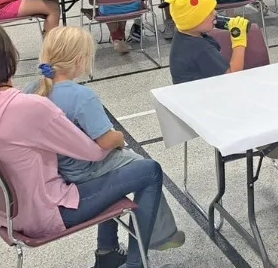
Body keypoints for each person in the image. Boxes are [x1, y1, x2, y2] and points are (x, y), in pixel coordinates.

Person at [0, 22, 178, 268]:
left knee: (114, 172)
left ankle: (108, 254)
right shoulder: (27, 107)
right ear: (6, 57)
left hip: (6, 211)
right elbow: (95, 152)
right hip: (47, 212)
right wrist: (117, 139)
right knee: (147, 170)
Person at [27, 27, 184, 251]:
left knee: (128, 163)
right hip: (83, 172)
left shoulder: (33, 90)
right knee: (142, 165)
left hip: (53, 172)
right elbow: (106, 141)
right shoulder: (82, 97)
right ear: (80, 61)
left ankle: (109, 247)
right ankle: (160, 236)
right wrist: (120, 137)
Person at [166, 0, 278, 206]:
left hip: (217, 98)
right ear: (193, 20)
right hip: (212, 113)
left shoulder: (189, 35)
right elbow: (231, 77)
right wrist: (238, 42)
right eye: (208, 13)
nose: (215, 14)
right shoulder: (199, 49)